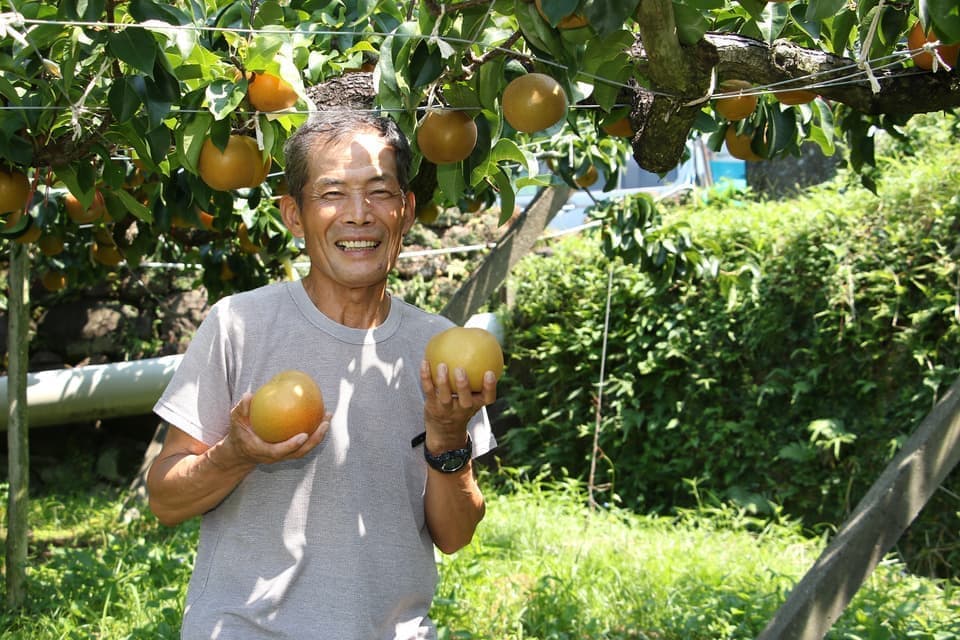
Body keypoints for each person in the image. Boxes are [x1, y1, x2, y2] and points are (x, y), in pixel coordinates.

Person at [146, 110, 498, 639]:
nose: (359, 215)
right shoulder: (238, 325)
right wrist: (236, 453)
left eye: (380, 192)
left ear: (405, 210)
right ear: (294, 214)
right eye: (332, 193)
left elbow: (455, 535)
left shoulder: (438, 350)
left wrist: (448, 438)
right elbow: (166, 500)